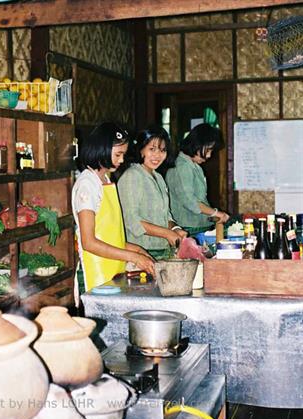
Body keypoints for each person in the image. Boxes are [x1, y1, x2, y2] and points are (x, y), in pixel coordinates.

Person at [72, 122, 155, 294]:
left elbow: (109, 236)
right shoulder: (88, 184)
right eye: (118, 154)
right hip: (93, 271)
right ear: (101, 149)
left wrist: (138, 250)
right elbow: (89, 242)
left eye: (123, 154)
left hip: (111, 270)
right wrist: (133, 257)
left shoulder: (106, 180)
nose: (122, 160)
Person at [117, 126, 187, 260]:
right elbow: (131, 220)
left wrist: (175, 229)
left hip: (161, 250)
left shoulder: (158, 177)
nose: (157, 155)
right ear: (141, 149)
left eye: (162, 150)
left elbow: (165, 215)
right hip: (140, 252)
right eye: (152, 149)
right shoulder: (132, 176)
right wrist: (166, 233)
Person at [165, 123, 229, 236]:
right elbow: (190, 201)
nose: (209, 155)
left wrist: (214, 215)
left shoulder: (194, 166)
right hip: (188, 229)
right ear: (197, 144)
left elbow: (201, 200)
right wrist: (216, 212)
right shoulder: (182, 166)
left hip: (198, 226)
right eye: (208, 150)